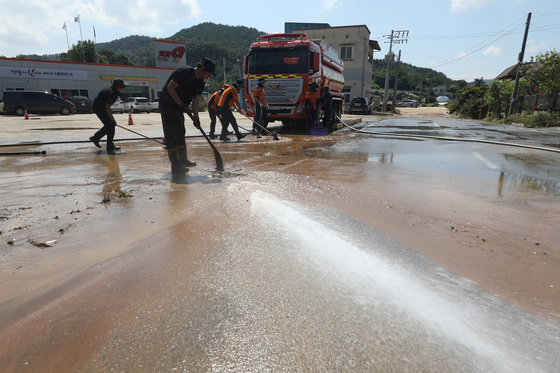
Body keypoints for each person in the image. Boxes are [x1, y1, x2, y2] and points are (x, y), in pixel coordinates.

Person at [159, 57, 216, 173]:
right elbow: (170, 87)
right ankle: (175, 165)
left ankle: (183, 160)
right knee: (171, 135)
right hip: (167, 104)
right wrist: (180, 103)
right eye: (209, 73)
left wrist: (196, 117)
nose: (209, 75)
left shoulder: (200, 83)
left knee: (181, 132)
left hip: (179, 107)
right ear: (202, 69)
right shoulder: (184, 72)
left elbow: (196, 101)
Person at [89, 79, 126, 154]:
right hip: (99, 108)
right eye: (121, 87)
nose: (122, 88)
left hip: (102, 108)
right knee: (110, 124)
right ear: (117, 86)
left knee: (110, 125)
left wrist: (112, 121)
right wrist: (112, 119)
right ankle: (96, 138)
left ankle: (108, 144)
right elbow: (107, 107)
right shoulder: (110, 92)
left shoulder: (114, 91)